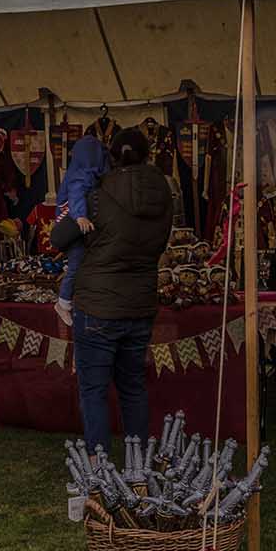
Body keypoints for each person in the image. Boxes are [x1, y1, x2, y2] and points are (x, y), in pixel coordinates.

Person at [50, 127, 173, 453]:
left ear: (111, 157)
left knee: (94, 391)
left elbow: (59, 238)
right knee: (133, 388)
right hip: (141, 304)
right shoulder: (163, 191)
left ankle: (98, 471)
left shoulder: (95, 194)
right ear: (147, 155)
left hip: (98, 307)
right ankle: (138, 469)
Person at [51, 134, 108, 326]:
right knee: (76, 263)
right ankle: (63, 303)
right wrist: (80, 216)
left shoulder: (87, 172)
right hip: (73, 224)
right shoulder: (80, 174)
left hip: (79, 225)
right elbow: (76, 196)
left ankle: (74, 301)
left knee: (82, 263)